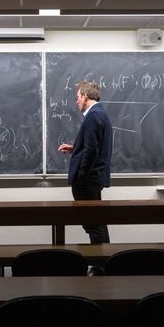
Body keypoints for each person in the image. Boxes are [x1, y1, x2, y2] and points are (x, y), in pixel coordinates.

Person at [58, 81, 113, 244]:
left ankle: (99, 267)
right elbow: (93, 146)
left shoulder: (93, 116)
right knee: (98, 222)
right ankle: (105, 262)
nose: (76, 101)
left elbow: (91, 151)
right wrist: (75, 148)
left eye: (78, 97)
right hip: (94, 180)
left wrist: (80, 178)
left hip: (87, 181)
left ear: (85, 96)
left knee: (92, 224)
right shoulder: (101, 113)